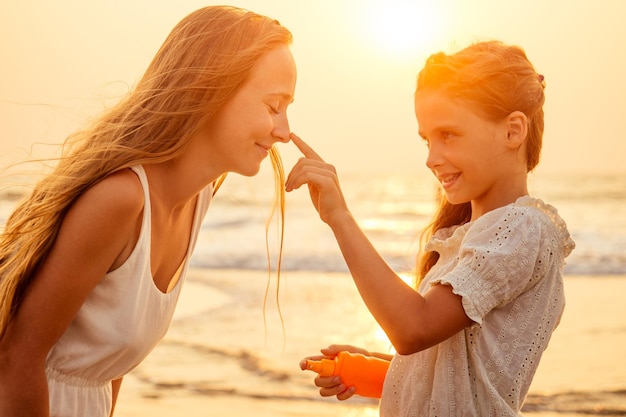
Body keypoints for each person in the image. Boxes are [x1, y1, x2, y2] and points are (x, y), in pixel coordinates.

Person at [0, 6, 296, 417]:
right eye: (273, 105)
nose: (284, 131)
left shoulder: (197, 199)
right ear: (212, 90)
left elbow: (109, 365)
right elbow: (16, 358)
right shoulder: (121, 200)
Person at [286, 40, 575, 416]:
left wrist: (339, 217)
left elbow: (413, 329)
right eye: (427, 139)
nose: (431, 158)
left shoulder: (522, 229)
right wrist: (376, 369)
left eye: (448, 135)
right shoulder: (477, 236)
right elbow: (454, 383)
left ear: (513, 131)